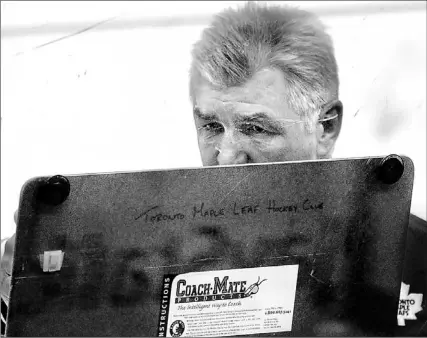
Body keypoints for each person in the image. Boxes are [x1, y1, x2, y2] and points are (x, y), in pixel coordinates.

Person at [1, 2, 426, 336]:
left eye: (256, 128)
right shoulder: (138, 253)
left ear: (325, 128)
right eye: (210, 126)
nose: (225, 156)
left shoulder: (414, 258)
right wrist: (21, 307)